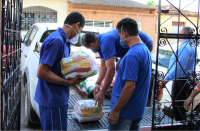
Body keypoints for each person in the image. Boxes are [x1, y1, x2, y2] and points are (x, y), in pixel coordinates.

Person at [34, 12, 88, 131]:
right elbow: (42, 72)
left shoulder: (64, 42)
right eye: (80, 30)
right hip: (52, 99)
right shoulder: (56, 41)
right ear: (76, 25)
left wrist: (78, 90)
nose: (78, 34)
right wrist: (67, 83)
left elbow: (62, 72)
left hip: (58, 98)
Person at [82, 26, 153, 107]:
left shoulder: (105, 42)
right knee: (120, 66)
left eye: (88, 48)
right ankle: (122, 90)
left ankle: (128, 94)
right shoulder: (99, 44)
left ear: (92, 44)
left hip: (145, 43)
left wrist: (103, 92)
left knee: (125, 68)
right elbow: (103, 66)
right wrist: (98, 83)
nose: (91, 50)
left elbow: (111, 69)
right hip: (129, 48)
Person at [107, 18, 151, 131]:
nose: (120, 38)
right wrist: (115, 87)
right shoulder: (145, 49)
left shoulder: (132, 55)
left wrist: (115, 111)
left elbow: (130, 86)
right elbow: (138, 79)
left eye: (119, 35)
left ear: (125, 34)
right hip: (138, 110)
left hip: (124, 113)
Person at [159, 27, 196, 121]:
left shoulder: (185, 47)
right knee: (182, 107)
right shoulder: (192, 46)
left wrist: (166, 80)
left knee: (179, 109)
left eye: (179, 33)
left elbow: (179, 67)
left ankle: (180, 127)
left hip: (181, 81)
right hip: (186, 80)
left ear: (183, 34)